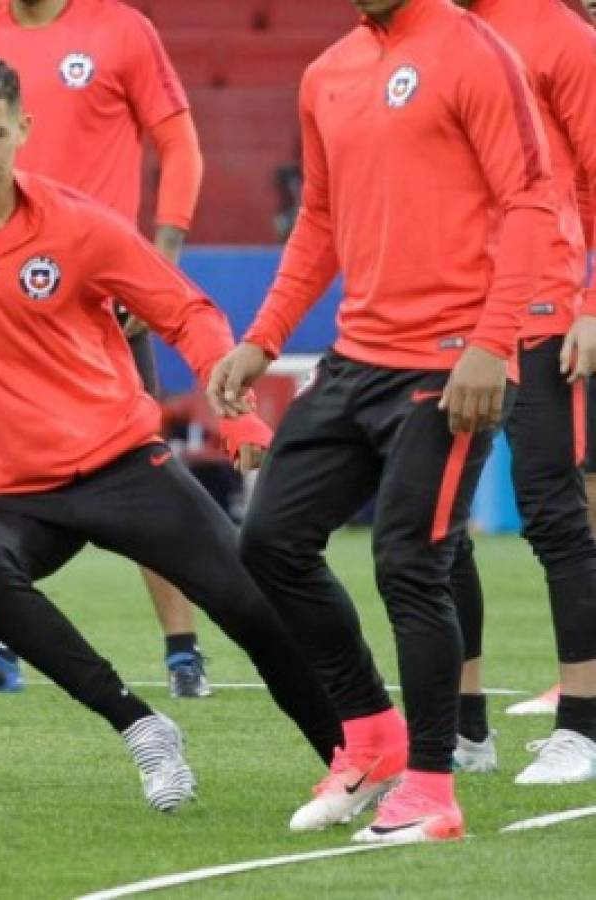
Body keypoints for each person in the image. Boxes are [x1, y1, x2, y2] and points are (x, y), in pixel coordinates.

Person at [0, 47, 345, 814]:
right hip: (7, 495)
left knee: (253, 612)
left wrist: (234, 416)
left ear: (22, 130)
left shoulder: (77, 223)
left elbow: (187, 313)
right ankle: (140, 727)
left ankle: (352, 761)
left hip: (121, 464)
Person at [210, 0, 555, 843]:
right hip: (354, 357)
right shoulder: (326, 71)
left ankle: (433, 790)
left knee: (410, 562)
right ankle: (370, 736)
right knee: (269, 541)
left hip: (449, 365)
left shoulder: (474, 52)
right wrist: (262, 338)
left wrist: (490, 340)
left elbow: (530, 200)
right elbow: (318, 223)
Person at [0, 0, 212, 698]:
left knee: (144, 472)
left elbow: (180, 145)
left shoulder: (122, 29)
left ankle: (182, 651)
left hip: (94, 295)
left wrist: (158, 256)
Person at [446, 0, 596, 785]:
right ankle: (465, 729)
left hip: (541, 306)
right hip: (445, 309)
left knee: (551, 512)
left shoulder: (558, 33)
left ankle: (582, 724)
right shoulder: (425, 35)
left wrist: (592, 306)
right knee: (430, 527)